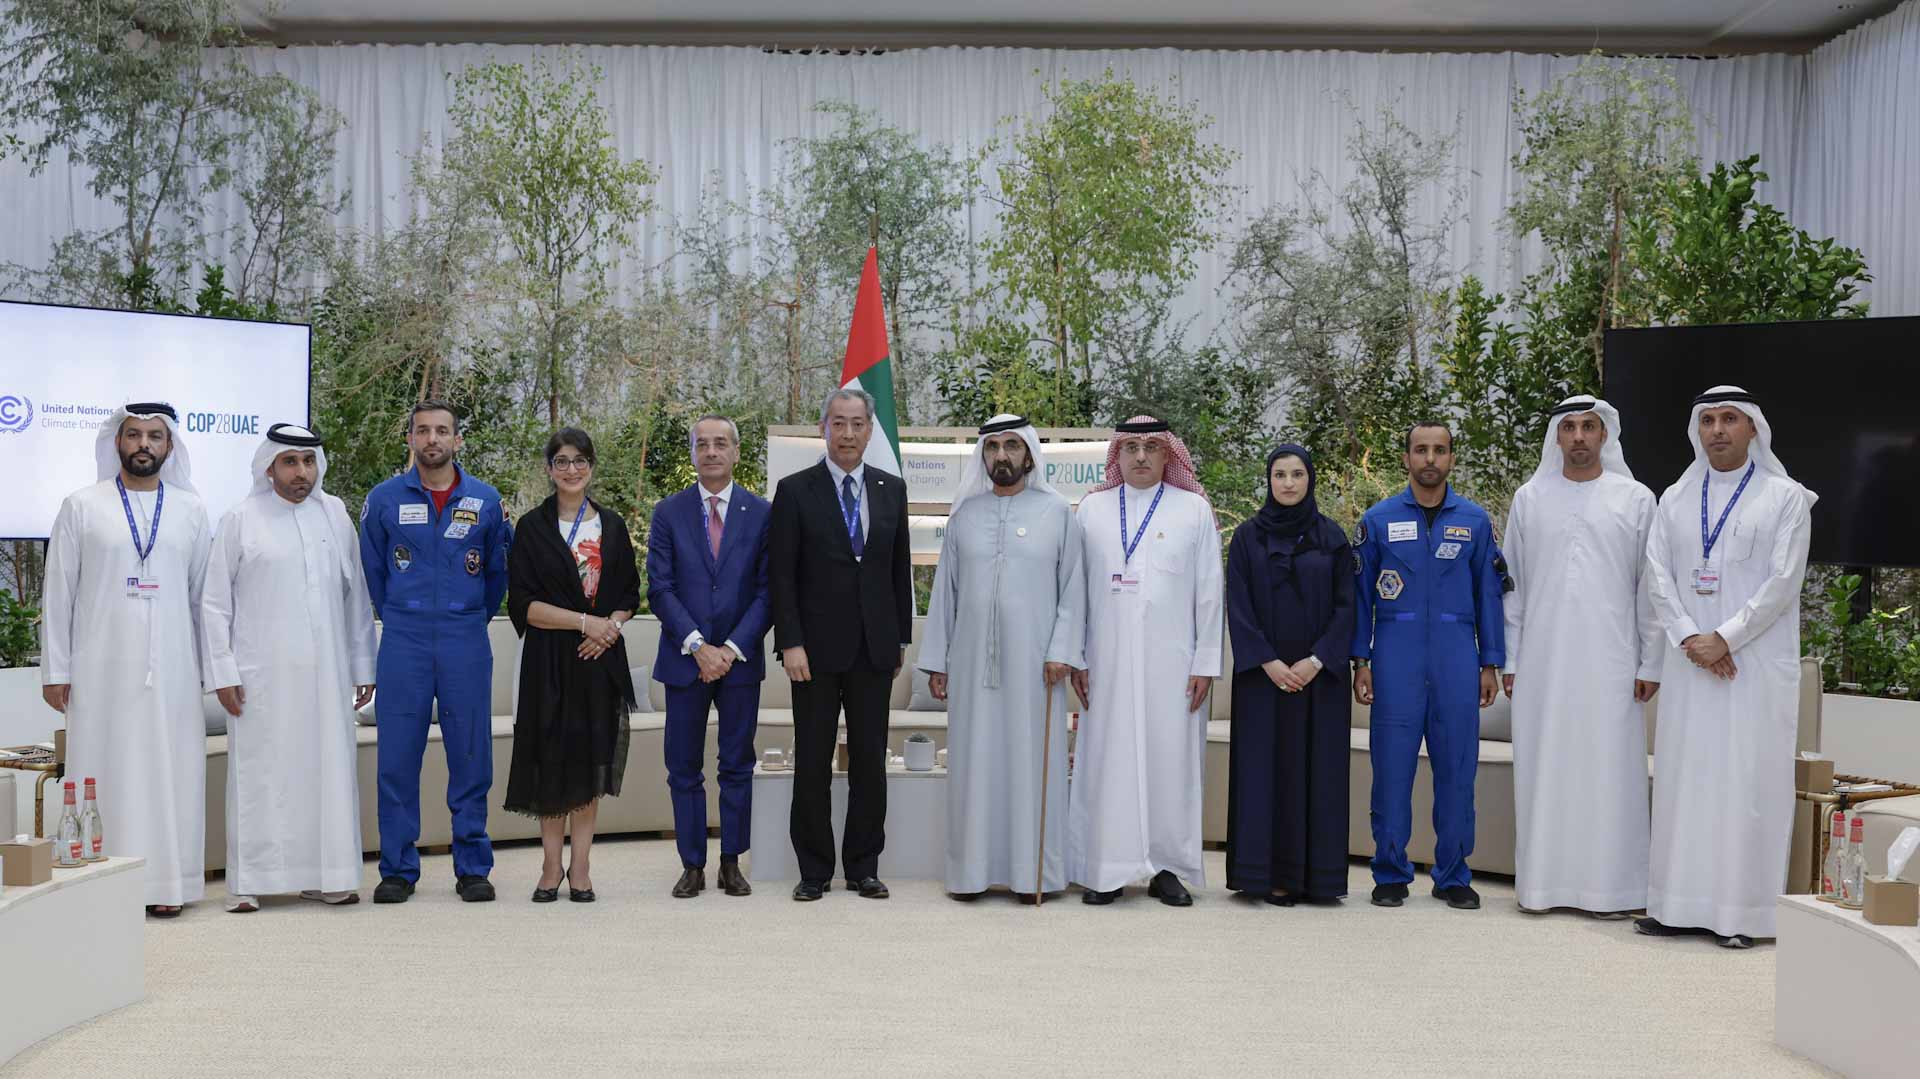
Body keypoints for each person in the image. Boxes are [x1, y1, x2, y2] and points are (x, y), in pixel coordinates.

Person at [1638, 385, 1815, 949]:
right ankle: (1674, 906)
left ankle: (1742, 914)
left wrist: (1726, 636)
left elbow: (1784, 583)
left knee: (1746, 783)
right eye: (1708, 420)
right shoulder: (1676, 498)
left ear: (1753, 429)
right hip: (1692, 661)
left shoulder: (1785, 497)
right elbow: (1657, 575)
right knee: (1685, 780)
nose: (1717, 429)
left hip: (1753, 666)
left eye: (1730, 419)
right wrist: (1693, 636)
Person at [41, 402, 212, 917]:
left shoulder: (191, 510)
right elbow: (58, 593)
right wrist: (56, 670)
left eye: (154, 437)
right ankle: (100, 885)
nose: (144, 445)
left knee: (171, 769)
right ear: (117, 442)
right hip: (101, 670)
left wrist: (213, 670)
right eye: (134, 435)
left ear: (169, 446)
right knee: (104, 766)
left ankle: (167, 884)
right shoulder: (82, 506)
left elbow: (205, 600)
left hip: (175, 670)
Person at [200, 424, 377, 913]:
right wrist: (223, 672)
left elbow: (355, 595)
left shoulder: (336, 514)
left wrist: (363, 666)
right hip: (260, 677)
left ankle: (329, 875)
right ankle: (250, 882)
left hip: (327, 676)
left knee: (327, 771)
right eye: (290, 462)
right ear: (269, 467)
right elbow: (214, 603)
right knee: (260, 775)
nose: (302, 472)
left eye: (309, 461)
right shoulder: (240, 518)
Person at [1501, 396, 1662, 918]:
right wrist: (1511, 658)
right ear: (1556, 436)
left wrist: (1650, 661)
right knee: (1545, 766)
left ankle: (1612, 891)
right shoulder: (1530, 498)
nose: (1577, 437)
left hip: (1613, 661)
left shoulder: (1636, 498)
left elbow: (1649, 587)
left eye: (1587, 427)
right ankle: (1542, 886)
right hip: (1543, 664)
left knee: (1609, 771)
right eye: (1568, 427)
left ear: (1604, 435)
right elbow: (1513, 586)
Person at [919, 415, 1085, 901]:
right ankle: (970, 874)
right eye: (993, 447)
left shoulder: (1056, 512)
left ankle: (1035, 875)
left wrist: (1062, 651)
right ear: (983, 456)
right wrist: (938, 661)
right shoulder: (964, 515)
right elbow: (945, 596)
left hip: (1037, 668)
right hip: (971, 667)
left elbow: (1074, 590)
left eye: (1012, 446)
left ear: (1029, 454)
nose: (1002, 456)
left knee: (1030, 765)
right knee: (974, 764)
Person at [358, 400, 513, 905]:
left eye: (442, 431)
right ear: (410, 439)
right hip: (403, 637)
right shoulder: (383, 500)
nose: (432, 440)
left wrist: (465, 617)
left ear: (457, 441)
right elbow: (374, 573)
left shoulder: (486, 501)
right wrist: (405, 614)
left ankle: (472, 865)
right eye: (423, 431)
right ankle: (398, 868)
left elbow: (496, 576)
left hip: (465, 636)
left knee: (471, 753)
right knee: (397, 755)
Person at [1068, 417, 1223, 907]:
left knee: (1170, 762)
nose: (1140, 456)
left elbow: (1209, 593)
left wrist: (1205, 664)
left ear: (1167, 455)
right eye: (1131, 447)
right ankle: (1105, 868)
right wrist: (1074, 655)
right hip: (1104, 660)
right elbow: (1072, 592)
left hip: (1173, 666)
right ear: (1117, 454)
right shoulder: (1091, 510)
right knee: (1107, 759)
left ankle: (1167, 868)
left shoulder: (1193, 510)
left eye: (1151, 447)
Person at [1351, 421, 1506, 911]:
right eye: (1421, 450)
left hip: (1457, 657)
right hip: (1394, 655)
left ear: (1452, 459)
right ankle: (1390, 871)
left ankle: (1453, 874)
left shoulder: (1475, 522)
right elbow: (1358, 599)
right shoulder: (1377, 521)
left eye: (1440, 450)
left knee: (1458, 770)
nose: (1430, 459)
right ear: (1406, 458)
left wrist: (1490, 663)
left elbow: (1489, 596)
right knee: (1391, 770)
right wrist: (1362, 658)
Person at [768, 387, 913, 902]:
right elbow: (781, 576)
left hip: (875, 650)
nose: (848, 433)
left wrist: (900, 638)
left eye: (857, 424)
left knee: (871, 762)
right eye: (838, 423)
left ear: (870, 431)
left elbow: (899, 572)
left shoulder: (892, 489)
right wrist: (790, 642)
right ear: (822, 428)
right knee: (812, 761)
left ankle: (863, 866)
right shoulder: (794, 490)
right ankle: (813, 870)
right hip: (813, 653)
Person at [504, 428, 639, 904]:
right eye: (561, 461)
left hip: (598, 659)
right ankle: (549, 866)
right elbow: (524, 605)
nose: (571, 469)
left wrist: (609, 630)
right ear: (549, 469)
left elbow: (627, 596)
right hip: (548, 660)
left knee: (588, 766)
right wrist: (585, 622)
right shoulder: (531, 528)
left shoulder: (613, 526)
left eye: (580, 460)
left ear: (592, 466)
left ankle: (580, 869)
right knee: (549, 764)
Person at [1224, 444, 1355, 906]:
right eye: (1280, 474)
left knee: (1318, 776)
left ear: (1310, 479)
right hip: (1264, 681)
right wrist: (1270, 662)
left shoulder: (1333, 538)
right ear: (1269, 480)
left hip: (1319, 684)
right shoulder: (1246, 539)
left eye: (1297, 474)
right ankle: (1265, 877)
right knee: (1265, 775)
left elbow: (1347, 607)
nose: (1288, 483)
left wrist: (1316, 661)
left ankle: (1317, 880)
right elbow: (1237, 605)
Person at [648, 414, 772, 899]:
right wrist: (699, 646)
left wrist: (732, 649)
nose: (713, 452)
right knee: (683, 765)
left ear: (736, 452)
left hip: (739, 660)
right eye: (703, 444)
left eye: (722, 444)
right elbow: (659, 588)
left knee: (737, 763)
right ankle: (692, 863)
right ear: (694, 454)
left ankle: (731, 862)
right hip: (685, 659)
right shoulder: (668, 512)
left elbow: (768, 591)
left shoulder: (761, 513)